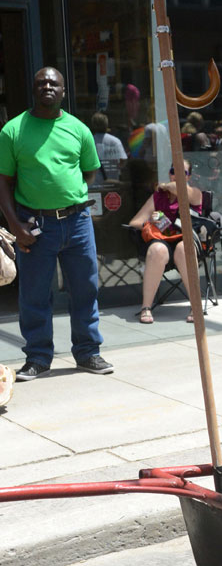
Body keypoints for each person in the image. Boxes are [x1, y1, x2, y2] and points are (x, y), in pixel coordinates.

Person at [0, 67, 113, 380]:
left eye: (53, 82)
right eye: (41, 82)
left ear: (64, 90)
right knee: (34, 294)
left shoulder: (78, 129)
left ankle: (88, 353)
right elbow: (3, 181)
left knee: (85, 288)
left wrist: (66, 195)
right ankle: (37, 357)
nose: (47, 86)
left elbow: (89, 172)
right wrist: (15, 224)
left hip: (77, 222)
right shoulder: (13, 130)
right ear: (34, 89)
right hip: (34, 224)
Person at [128, 159, 203, 324]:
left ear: (189, 177)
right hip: (164, 240)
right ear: (169, 173)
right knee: (156, 251)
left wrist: (164, 185)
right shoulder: (159, 196)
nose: (176, 175)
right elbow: (135, 222)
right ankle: (146, 307)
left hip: (188, 240)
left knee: (184, 249)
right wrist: (156, 222)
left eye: (182, 173)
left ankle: (196, 306)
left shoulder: (194, 193)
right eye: (173, 171)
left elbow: (180, 189)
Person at [89, 111, 127, 180]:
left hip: (95, 184)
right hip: (113, 183)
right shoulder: (115, 141)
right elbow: (123, 160)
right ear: (107, 124)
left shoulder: (89, 142)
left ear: (93, 125)